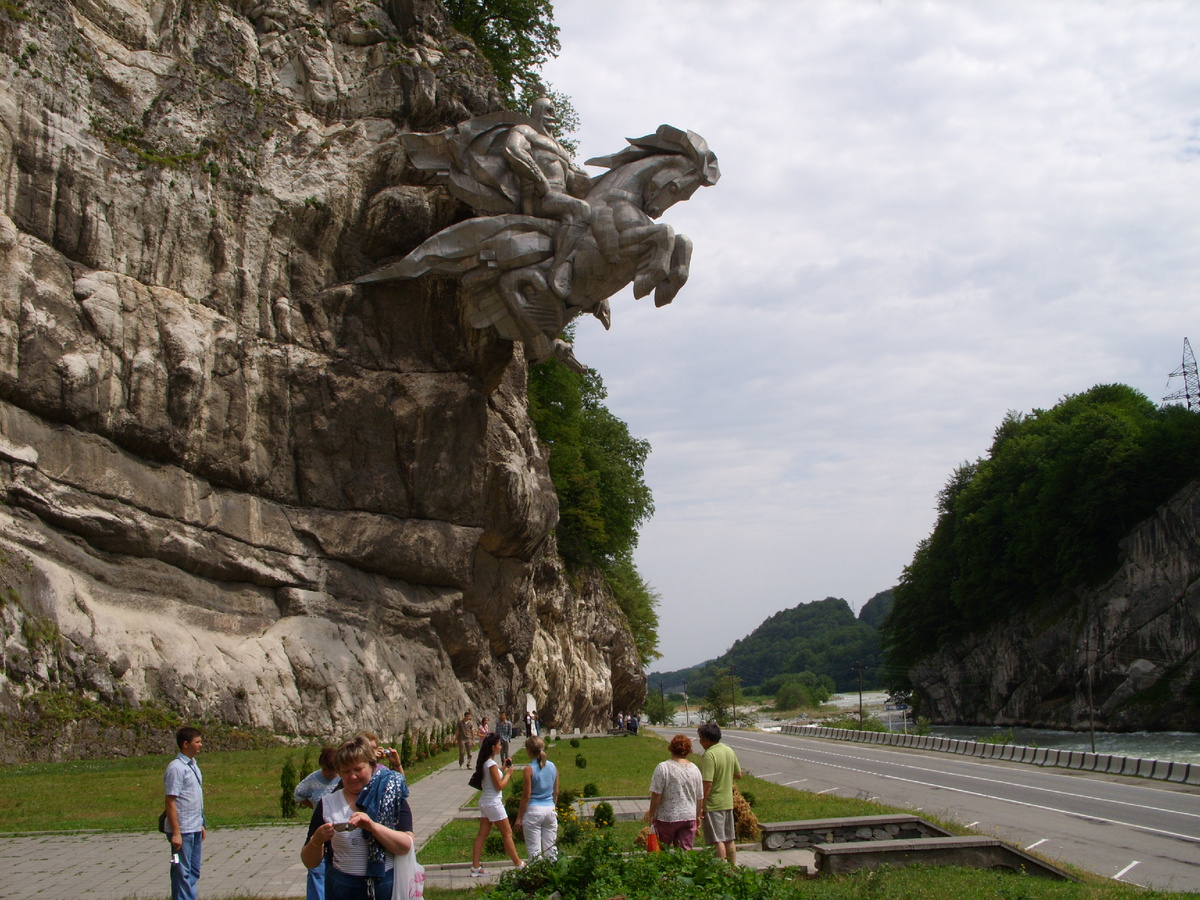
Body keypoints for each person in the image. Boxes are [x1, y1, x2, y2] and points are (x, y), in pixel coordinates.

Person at [301, 736, 414, 900]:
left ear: (372, 766)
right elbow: (309, 862)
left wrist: (373, 827)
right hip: (342, 888)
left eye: (358, 769)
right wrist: (317, 840)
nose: (352, 776)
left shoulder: (391, 795)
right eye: (345, 772)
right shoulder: (328, 803)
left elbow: (406, 846)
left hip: (385, 886)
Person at [469, 733, 523, 876]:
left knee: (482, 835)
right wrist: (508, 774)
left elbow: (491, 778)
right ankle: (519, 864)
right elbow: (499, 786)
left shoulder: (486, 763)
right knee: (507, 833)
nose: (500, 747)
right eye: (499, 744)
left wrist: (503, 768)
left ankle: (475, 867)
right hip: (493, 803)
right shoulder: (491, 764)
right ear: (493, 747)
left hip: (486, 802)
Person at [164, 725, 205, 900]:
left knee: (193, 871)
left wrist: (201, 823)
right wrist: (176, 832)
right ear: (185, 744)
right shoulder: (176, 768)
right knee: (181, 870)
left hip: (194, 827)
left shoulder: (193, 765)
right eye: (197, 742)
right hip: (182, 831)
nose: (200, 745)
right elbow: (170, 801)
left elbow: (194, 799)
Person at [294, 748, 340, 900]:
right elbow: (298, 794)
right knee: (316, 868)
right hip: (319, 827)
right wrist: (315, 807)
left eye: (332, 771)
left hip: (338, 830)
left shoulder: (343, 779)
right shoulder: (314, 778)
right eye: (325, 769)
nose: (328, 773)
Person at [647, 734, 704, 850]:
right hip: (689, 816)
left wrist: (652, 814)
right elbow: (699, 796)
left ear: (671, 748)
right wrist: (698, 815)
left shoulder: (663, 767)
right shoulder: (695, 769)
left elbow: (656, 794)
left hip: (667, 817)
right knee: (685, 851)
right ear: (689, 750)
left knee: (663, 850)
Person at [697, 722, 742, 864]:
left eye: (700, 738)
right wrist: (724, 775)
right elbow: (738, 774)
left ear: (707, 739)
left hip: (714, 804)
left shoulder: (709, 755)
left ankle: (721, 869)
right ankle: (733, 867)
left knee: (717, 840)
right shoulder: (728, 750)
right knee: (729, 839)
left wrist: (701, 805)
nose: (700, 742)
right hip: (727, 802)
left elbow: (707, 783)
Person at [514, 735, 559, 861]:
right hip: (549, 808)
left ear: (529, 750)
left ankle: (537, 872)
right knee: (551, 848)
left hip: (534, 810)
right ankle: (554, 870)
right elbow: (556, 792)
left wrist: (519, 817)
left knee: (534, 851)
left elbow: (526, 796)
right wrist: (553, 806)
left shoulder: (529, 769)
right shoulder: (552, 766)